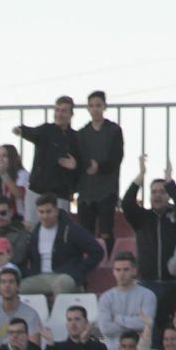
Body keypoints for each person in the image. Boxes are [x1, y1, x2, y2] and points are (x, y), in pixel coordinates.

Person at [121, 158, 176, 284]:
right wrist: (141, 174)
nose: (157, 195)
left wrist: (170, 183)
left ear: (169, 195)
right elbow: (127, 203)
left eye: (162, 192)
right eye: (154, 192)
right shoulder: (142, 218)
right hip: (146, 281)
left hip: (173, 282)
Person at [19, 195, 104, 295]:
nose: (45, 216)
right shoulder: (34, 233)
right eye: (41, 212)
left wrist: (78, 271)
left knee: (62, 284)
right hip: (39, 276)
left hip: (65, 276)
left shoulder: (71, 230)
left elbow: (97, 251)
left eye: (48, 211)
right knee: (17, 288)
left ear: (56, 211)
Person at [75, 91, 124, 245]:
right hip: (86, 190)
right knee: (85, 232)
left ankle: (108, 261)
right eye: (91, 106)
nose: (95, 109)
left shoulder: (114, 130)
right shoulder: (82, 133)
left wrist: (100, 167)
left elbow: (117, 157)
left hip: (107, 189)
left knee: (106, 231)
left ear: (104, 107)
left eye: (98, 105)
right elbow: (78, 159)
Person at [13, 97, 81, 207]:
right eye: (57, 110)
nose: (59, 114)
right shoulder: (46, 130)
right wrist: (21, 130)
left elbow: (81, 166)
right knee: (31, 224)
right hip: (37, 190)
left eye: (63, 111)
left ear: (71, 114)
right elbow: (33, 133)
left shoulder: (75, 138)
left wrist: (74, 166)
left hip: (60, 194)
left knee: (60, 223)